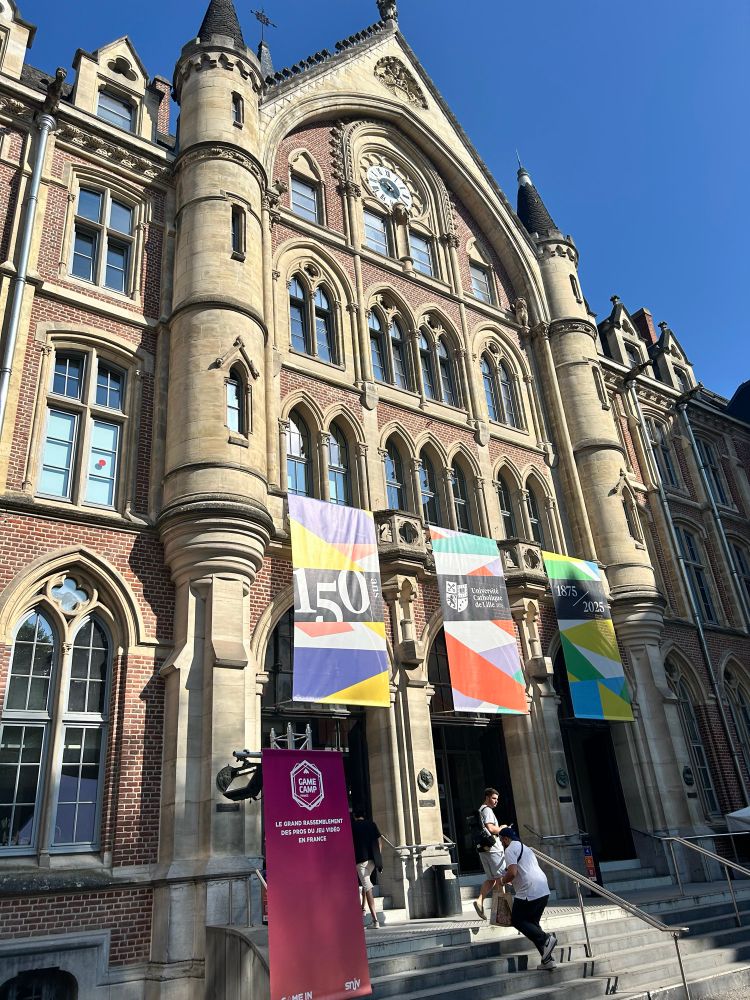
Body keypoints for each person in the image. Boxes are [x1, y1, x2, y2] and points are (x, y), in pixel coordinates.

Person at [498, 827, 558, 971]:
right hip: (542, 888)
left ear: (505, 839)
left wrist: (502, 881)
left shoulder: (509, 850)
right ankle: (547, 960)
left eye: (501, 841)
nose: (502, 843)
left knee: (517, 920)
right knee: (533, 925)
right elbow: (520, 869)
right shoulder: (525, 848)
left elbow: (512, 873)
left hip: (528, 891)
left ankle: (546, 939)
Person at [473, 787, 508, 920]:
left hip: (484, 849)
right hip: (494, 849)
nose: (496, 801)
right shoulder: (487, 810)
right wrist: (502, 829)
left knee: (492, 879)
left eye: (497, 799)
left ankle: (479, 901)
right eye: (493, 798)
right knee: (500, 879)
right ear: (487, 798)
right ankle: (503, 914)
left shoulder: (480, 810)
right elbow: (491, 828)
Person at [351, 807, 383, 929]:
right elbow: (379, 841)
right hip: (372, 861)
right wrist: (378, 856)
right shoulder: (371, 824)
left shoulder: (352, 826)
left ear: (354, 816)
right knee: (366, 883)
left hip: (360, 861)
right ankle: (363, 909)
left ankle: (375, 920)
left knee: (367, 887)